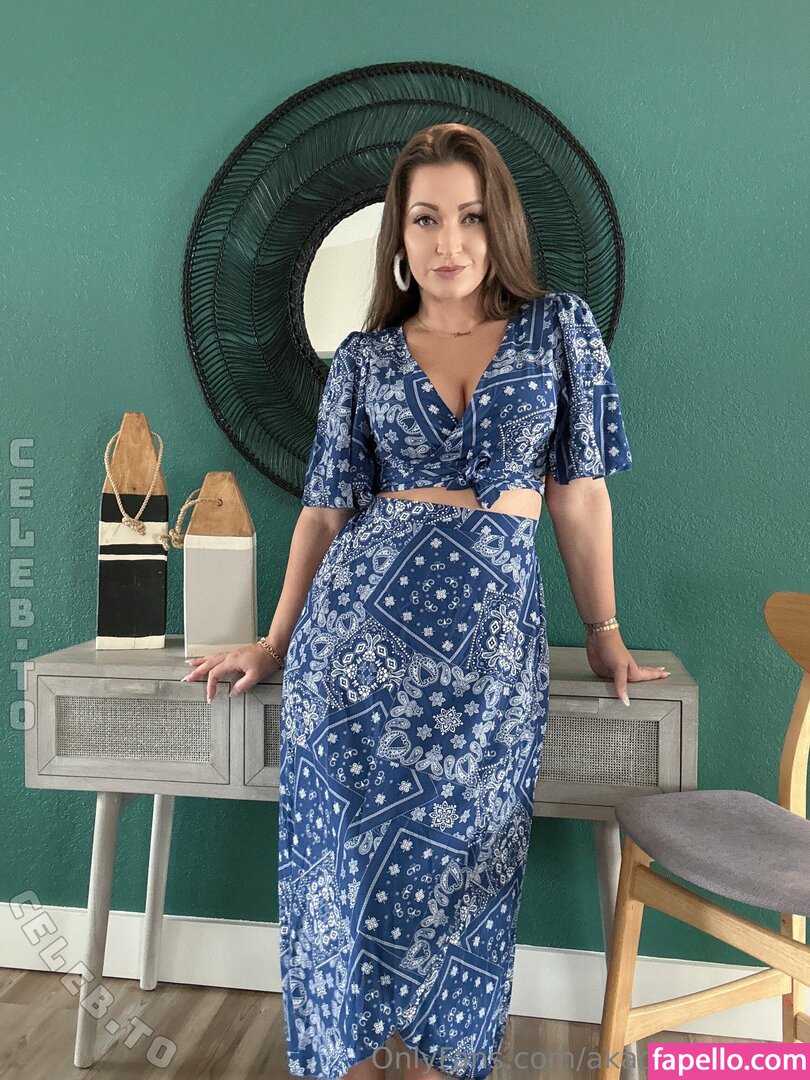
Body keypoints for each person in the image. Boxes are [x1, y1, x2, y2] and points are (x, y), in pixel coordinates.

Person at [184, 123, 670, 1080]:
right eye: (426, 219)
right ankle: (350, 1057)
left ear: (501, 226)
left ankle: (445, 1056)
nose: (450, 241)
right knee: (342, 868)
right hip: (354, 648)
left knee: (468, 859)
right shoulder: (364, 358)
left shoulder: (559, 330)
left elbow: (580, 498)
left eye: (471, 217)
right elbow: (324, 516)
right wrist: (274, 643)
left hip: (489, 653)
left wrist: (604, 633)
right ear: (398, 236)